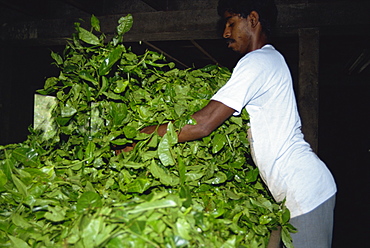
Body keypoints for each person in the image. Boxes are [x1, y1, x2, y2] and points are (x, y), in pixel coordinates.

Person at [140, 0, 337, 247]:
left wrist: (142, 136)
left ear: (252, 20)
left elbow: (203, 123)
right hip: (296, 190)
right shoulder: (271, 59)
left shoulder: (258, 62)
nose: (225, 33)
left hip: (306, 193)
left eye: (231, 23)